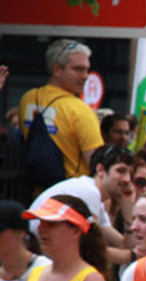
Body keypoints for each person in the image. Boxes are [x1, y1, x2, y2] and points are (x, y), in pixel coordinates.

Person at [19, 39, 104, 183]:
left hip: (36, 194)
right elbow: (97, 165)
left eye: (87, 69)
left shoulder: (28, 98)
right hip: (72, 196)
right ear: (57, 69)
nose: (85, 76)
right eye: (78, 69)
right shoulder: (80, 110)